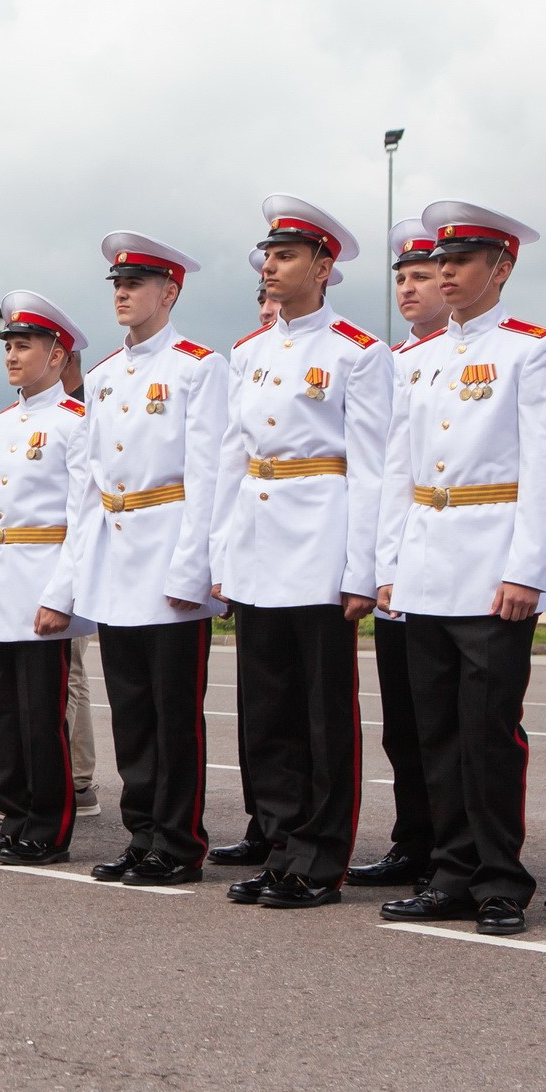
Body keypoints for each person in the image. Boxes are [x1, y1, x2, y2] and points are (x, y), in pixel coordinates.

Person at [376, 200, 546, 937]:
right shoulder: (415, 360)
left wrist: (526, 570)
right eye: (444, 262)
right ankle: (451, 871)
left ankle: (500, 878)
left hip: (493, 566)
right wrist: (389, 563)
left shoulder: (533, 350)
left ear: (502, 267)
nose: (449, 273)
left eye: (462, 262)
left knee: (489, 731)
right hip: (427, 562)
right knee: (436, 733)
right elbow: (399, 469)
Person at [210, 197, 393, 908]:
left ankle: (320, 858)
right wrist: (223, 556)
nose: (271, 266)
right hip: (258, 546)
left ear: (323, 266)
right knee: (269, 711)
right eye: (267, 255)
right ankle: (281, 843)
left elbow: (373, 467)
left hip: (320, 547)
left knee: (322, 713)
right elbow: (233, 460)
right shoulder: (249, 353)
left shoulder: (357, 351)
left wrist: (362, 570)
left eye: (285, 256)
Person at [40, 234, 228, 884]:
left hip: (168, 550)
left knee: (175, 713)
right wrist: (75, 579)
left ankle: (178, 842)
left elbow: (207, 477)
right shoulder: (106, 376)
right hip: (116, 561)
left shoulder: (197, 367)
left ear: (169, 292)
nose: (122, 292)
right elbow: (89, 488)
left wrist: (191, 569)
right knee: (133, 710)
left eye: (136, 283)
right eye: (117, 283)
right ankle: (142, 831)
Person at [0, 290, 93, 865]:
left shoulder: (76, 422)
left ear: (58, 355)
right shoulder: (0, 424)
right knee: (3, 713)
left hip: (42, 581)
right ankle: (13, 818)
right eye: (8, 344)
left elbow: (84, 516)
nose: (11, 355)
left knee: (42, 716)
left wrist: (61, 595)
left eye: (24, 345)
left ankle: (48, 827)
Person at [345, 222, 446, 889]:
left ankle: (451, 847)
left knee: (448, 722)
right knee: (403, 724)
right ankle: (414, 841)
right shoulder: (392, 360)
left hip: (449, 561)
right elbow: (381, 476)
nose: (408, 287)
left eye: (421, 276)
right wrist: (381, 567)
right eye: (400, 278)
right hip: (400, 566)